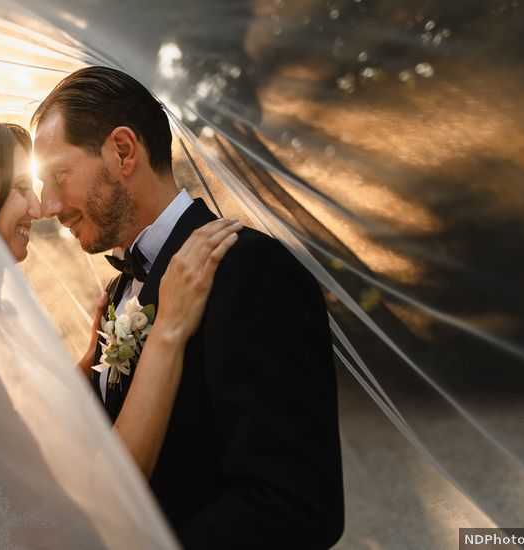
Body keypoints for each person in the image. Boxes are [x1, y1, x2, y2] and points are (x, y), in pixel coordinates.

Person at [0, 109, 240, 548]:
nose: (37, 208)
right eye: (19, 189)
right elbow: (107, 497)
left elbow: (31, 426)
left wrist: (94, 355)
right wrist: (168, 329)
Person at [33, 66, 345, 548]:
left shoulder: (250, 272)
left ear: (122, 151)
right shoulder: (118, 294)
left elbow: (296, 504)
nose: (48, 205)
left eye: (58, 175)